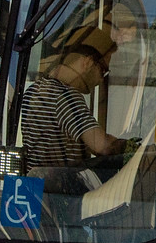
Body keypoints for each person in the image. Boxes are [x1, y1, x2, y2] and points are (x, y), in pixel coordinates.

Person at [20, 26, 132, 181]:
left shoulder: (33, 91)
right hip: (61, 193)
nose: (101, 80)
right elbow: (101, 146)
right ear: (87, 62)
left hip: (38, 188)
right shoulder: (66, 96)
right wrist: (133, 149)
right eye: (103, 70)